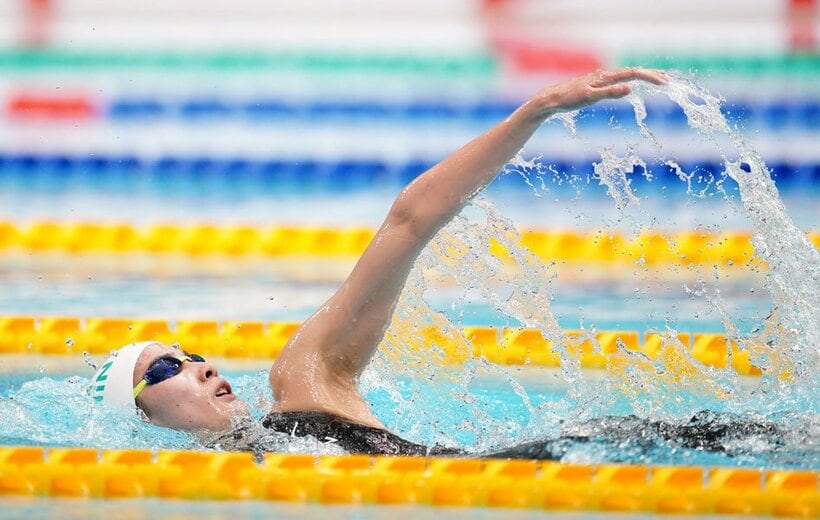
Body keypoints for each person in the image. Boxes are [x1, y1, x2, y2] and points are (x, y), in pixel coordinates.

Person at [89, 68, 694, 457]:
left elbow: (408, 222)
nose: (201, 365)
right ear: (139, 415)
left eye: (192, 355)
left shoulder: (303, 384)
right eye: (168, 367)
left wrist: (532, 112)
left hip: (558, 459)